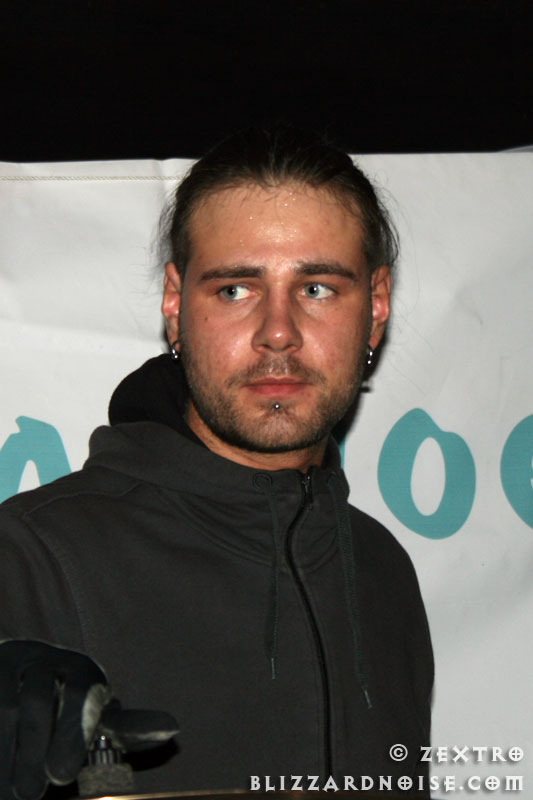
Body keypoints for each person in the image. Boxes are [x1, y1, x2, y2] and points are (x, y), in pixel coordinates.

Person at [0, 125, 433, 798]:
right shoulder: (30, 553)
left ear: (375, 308)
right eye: (235, 289)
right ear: (175, 305)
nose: (278, 333)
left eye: (317, 288)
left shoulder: (381, 569)